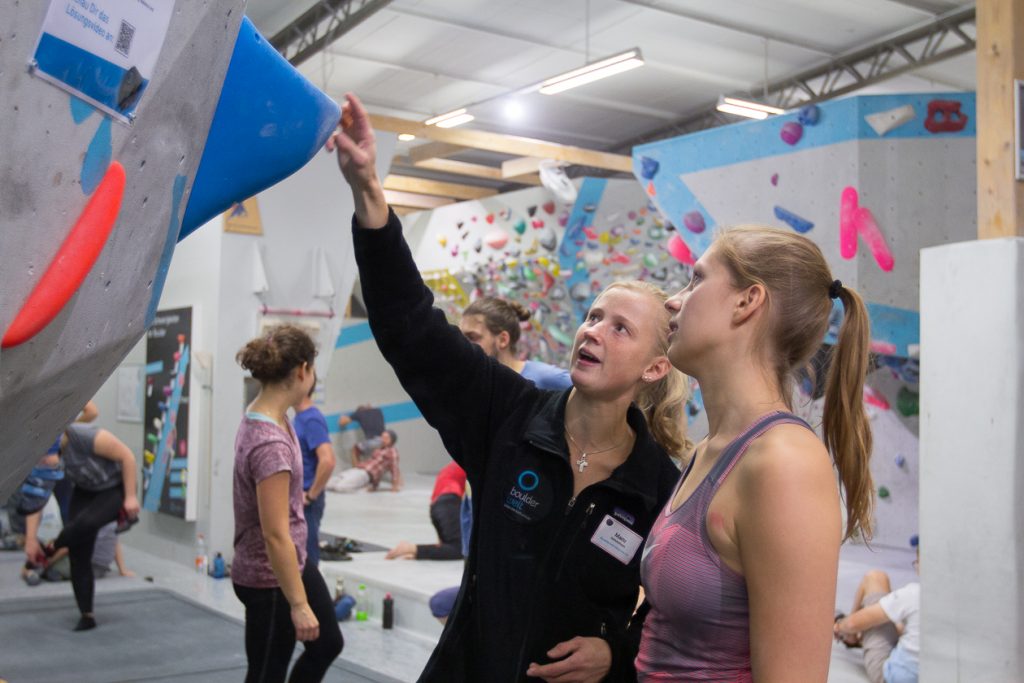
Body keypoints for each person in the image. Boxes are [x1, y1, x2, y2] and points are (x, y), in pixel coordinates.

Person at [327, 92, 688, 682]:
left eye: (620, 328)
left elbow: (680, 614)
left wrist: (615, 652)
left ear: (655, 368)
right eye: (593, 317)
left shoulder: (659, 488)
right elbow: (411, 328)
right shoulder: (508, 413)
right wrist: (370, 194)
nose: (593, 331)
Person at [636, 226, 875, 681]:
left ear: (747, 302)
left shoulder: (782, 463)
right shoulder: (709, 450)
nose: (673, 299)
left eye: (696, 280)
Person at [233, 325, 343, 682]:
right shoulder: (270, 444)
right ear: (301, 371)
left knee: (328, 643)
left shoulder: (276, 415)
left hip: (293, 559)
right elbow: (275, 534)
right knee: (267, 674)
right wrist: (298, 604)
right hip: (270, 576)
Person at [34, 422, 140, 631]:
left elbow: (128, 456)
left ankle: (52, 547)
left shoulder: (82, 436)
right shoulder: (49, 453)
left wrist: (130, 497)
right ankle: (87, 615)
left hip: (114, 487)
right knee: (78, 549)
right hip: (85, 490)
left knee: (87, 524)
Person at [834, 551, 920, 683]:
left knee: (874, 577)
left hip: (893, 677)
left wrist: (839, 626)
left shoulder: (915, 593)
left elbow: (852, 624)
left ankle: (850, 635)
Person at [460, 297, 572, 390]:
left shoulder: (543, 377)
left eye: (472, 337)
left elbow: (587, 397)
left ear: (503, 340)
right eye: (461, 337)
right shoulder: (476, 386)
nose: (463, 344)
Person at [293, 371, 337, 567]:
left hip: (308, 504)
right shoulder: (299, 418)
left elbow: (327, 461)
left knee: (307, 563)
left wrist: (311, 495)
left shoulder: (311, 419)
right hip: (299, 500)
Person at [386, 461, 466, 560]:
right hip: (449, 502)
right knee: (459, 549)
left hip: (436, 506)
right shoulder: (470, 463)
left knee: (449, 547)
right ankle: (411, 548)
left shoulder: (456, 464)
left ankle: (417, 552)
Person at [325, 430, 401, 493]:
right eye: (382, 437)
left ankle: (363, 489)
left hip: (365, 474)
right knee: (328, 485)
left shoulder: (392, 452)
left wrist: (395, 486)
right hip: (358, 469)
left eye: (386, 438)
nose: (382, 439)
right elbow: (378, 469)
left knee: (340, 487)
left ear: (392, 440)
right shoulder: (379, 449)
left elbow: (394, 469)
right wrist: (375, 485)